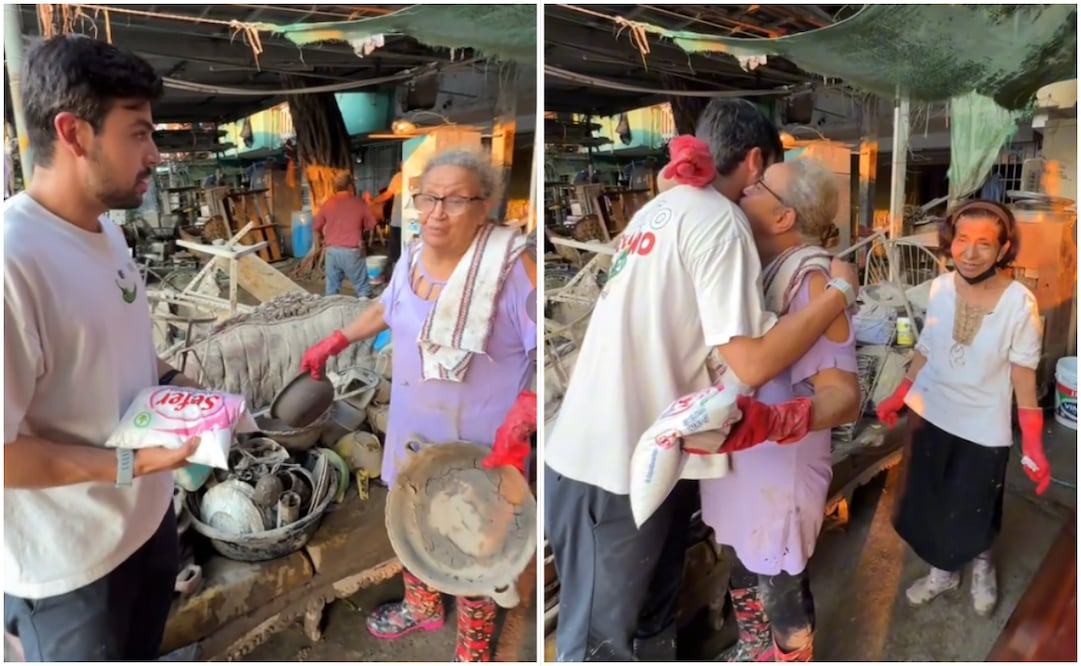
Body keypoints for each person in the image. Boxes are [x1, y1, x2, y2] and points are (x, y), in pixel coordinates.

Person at [543, 99, 860, 662]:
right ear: (756, 161)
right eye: (762, 184)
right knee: (602, 640)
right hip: (621, 461)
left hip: (641, 455)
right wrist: (841, 291)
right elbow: (752, 363)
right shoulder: (723, 223)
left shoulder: (664, 211)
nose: (750, 197)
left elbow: (840, 392)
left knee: (652, 616)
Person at [4, 34, 202, 662]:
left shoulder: (107, 234)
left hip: (146, 529)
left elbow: (111, 357)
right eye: (138, 132)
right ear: (74, 132)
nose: (154, 153)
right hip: (71, 572)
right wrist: (133, 466)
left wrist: (175, 382)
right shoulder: (14, 263)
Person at [299, 149, 536, 662]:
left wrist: (529, 410)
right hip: (415, 432)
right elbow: (387, 308)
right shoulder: (410, 256)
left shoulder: (514, 269)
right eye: (427, 197)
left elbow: (550, 352)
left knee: (477, 548)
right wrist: (335, 341)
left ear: (485, 207)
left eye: (454, 200)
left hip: (483, 451)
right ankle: (423, 605)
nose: (435, 211)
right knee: (410, 523)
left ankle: (473, 649)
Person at [697, 157, 861, 662]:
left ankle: (791, 651)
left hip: (777, 470)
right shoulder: (756, 267)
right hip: (744, 460)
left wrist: (774, 421)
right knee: (746, 561)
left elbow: (844, 396)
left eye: (758, 185)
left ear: (785, 217)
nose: (744, 188)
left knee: (781, 583)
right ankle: (753, 645)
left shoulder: (811, 282)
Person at [876, 199, 1049, 617]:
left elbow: (1024, 379)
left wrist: (1034, 447)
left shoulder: (1019, 304)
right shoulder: (939, 287)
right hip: (931, 413)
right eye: (962, 240)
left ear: (1004, 248)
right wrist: (901, 392)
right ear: (950, 242)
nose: (970, 253)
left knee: (976, 505)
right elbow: (927, 347)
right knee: (932, 500)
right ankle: (943, 572)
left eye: (984, 244)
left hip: (983, 426)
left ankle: (983, 567)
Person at [313, 171, 377, 297]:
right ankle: (362, 314)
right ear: (350, 186)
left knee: (331, 290)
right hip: (352, 252)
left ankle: (331, 315)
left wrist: (320, 242)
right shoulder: (359, 203)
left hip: (331, 252)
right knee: (362, 289)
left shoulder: (328, 204)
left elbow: (316, 227)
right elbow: (372, 224)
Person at [373, 163, 404, 279]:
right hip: (406, 222)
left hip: (398, 222)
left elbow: (387, 195)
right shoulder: (419, 175)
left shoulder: (399, 177)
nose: (401, 164)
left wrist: (373, 201)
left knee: (396, 253)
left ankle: (396, 278)